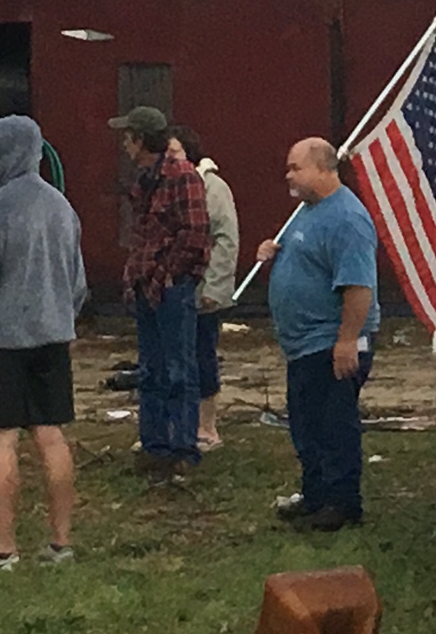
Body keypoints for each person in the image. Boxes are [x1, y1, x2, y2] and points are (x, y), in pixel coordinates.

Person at [0, 115, 87, 573]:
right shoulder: (62, 208)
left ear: (7, 151)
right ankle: (61, 545)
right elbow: (77, 283)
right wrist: (62, 322)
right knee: (51, 436)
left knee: (2, 442)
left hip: (1, 344)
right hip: (52, 340)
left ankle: (3, 550)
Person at [256, 137, 380, 532]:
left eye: (296, 167)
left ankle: (342, 504)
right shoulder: (307, 213)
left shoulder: (347, 218)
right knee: (306, 424)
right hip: (303, 346)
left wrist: (347, 341)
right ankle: (315, 495)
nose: (288, 175)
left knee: (333, 425)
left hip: (332, 342)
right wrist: (272, 254)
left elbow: (358, 287)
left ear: (325, 169)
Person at [110, 106, 209, 479]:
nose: (123, 143)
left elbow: (196, 233)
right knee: (151, 368)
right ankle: (154, 447)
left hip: (170, 288)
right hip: (144, 285)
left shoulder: (182, 176)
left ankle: (183, 448)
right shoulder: (145, 179)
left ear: (140, 139)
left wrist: (170, 274)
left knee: (179, 368)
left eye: (127, 136)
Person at [168, 124, 239, 451]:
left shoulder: (213, 188)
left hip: (203, 292)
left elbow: (226, 240)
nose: (170, 159)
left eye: (175, 153)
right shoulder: (163, 188)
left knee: (201, 355)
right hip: (172, 292)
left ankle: (207, 426)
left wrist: (215, 286)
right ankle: (176, 424)